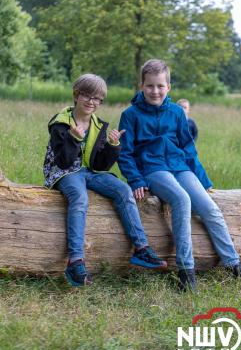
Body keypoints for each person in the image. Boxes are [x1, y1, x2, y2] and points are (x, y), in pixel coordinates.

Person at [118, 59, 241, 292]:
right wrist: (135, 179)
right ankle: (186, 271)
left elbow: (188, 148)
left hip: (179, 166)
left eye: (160, 86)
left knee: (210, 208)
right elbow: (125, 153)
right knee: (181, 200)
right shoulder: (131, 115)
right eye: (150, 86)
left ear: (169, 87)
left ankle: (233, 264)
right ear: (142, 85)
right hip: (153, 169)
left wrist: (203, 180)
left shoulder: (176, 112)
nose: (155, 91)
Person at [43, 73, 167, 287]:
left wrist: (112, 146)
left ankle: (141, 249)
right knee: (80, 199)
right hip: (63, 172)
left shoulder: (97, 124)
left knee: (123, 190)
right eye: (87, 96)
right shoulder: (61, 123)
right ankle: (75, 261)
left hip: (88, 171)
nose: (92, 102)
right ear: (76, 95)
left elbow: (99, 165)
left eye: (97, 99)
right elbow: (63, 162)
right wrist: (73, 138)